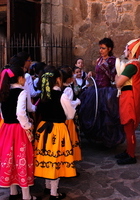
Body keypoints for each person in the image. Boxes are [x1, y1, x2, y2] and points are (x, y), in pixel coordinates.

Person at [34, 66, 77, 200]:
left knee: (48, 158)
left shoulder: (43, 95)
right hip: (58, 130)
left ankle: (47, 187)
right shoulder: (62, 96)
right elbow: (70, 115)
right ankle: (54, 193)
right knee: (56, 159)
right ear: (58, 79)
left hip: (43, 130)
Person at [78, 38, 125, 148]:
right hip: (96, 91)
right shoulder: (99, 60)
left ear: (109, 49)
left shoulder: (112, 61)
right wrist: (92, 73)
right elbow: (98, 74)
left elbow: (115, 76)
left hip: (107, 92)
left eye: (103, 48)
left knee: (106, 115)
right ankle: (97, 138)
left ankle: (107, 139)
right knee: (94, 113)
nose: (101, 50)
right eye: (100, 48)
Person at [0, 65, 35, 200]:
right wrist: (27, 125)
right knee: (22, 160)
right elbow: (20, 113)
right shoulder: (21, 92)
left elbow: (2, 113)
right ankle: (26, 196)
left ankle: (13, 192)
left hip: (6, 129)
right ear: (20, 78)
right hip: (19, 130)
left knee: (10, 160)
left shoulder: (4, 92)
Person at [115, 37, 140, 165]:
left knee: (129, 127)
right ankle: (128, 151)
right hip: (127, 97)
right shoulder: (133, 65)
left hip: (129, 99)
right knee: (127, 128)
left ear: (131, 51)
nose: (124, 51)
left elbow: (118, 83)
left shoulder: (131, 66)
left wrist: (117, 76)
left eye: (126, 49)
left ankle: (131, 155)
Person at [60, 65, 82, 162]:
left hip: (61, 117)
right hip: (69, 118)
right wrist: (77, 102)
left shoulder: (59, 88)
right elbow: (69, 104)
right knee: (71, 138)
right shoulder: (68, 89)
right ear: (68, 79)